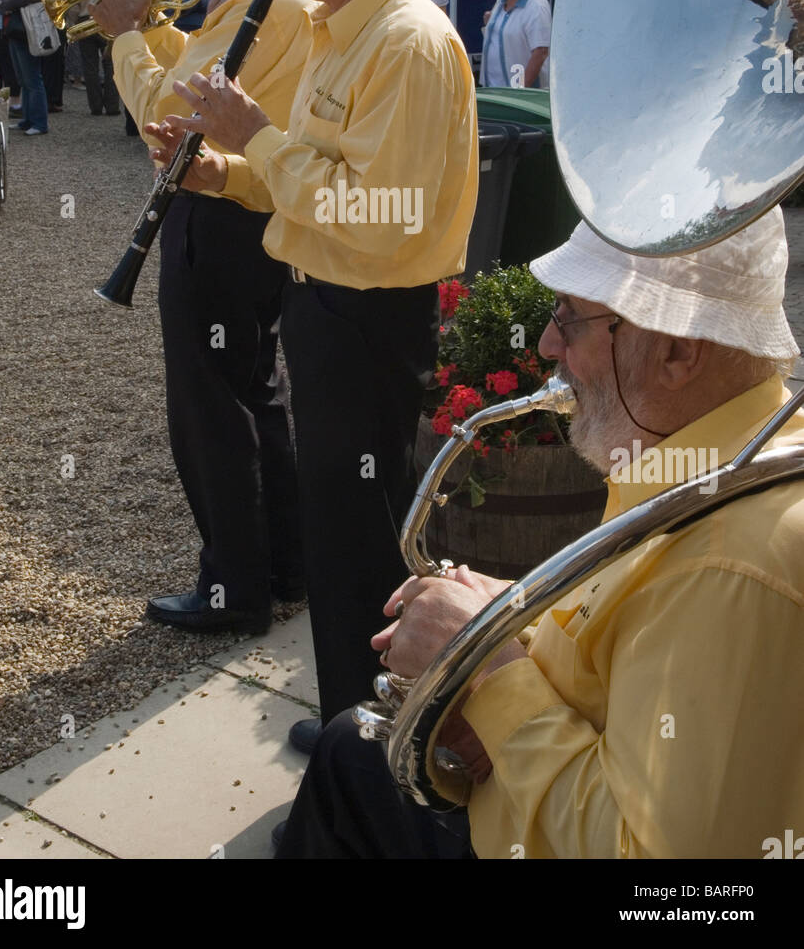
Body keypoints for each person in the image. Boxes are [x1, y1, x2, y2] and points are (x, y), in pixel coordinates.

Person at [275, 206, 804, 859]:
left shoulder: (728, 569)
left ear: (676, 352)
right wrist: (515, 621)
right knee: (348, 751)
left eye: (570, 317)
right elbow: (632, 660)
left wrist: (490, 668)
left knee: (346, 759)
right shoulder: (705, 454)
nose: (549, 345)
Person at [157, 0, 479, 739]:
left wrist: (253, 136)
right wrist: (225, 172)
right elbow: (316, 171)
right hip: (331, 306)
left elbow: (379, 212)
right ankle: (353, 720)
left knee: (361, 538)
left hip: (368, 315)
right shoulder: (341, 28)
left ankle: (374, 736)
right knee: (341, 538)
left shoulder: (405, 42)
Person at [88, 0, 314, 633]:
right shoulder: (271, 2)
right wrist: (151, 23)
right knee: (256, 392)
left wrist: (124, 35)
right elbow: (194, 73)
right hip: (259, 213)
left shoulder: (259, 2)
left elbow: (165, 113)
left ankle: (233, 588)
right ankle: (287, 564)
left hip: (217, 211)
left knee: (208, 407)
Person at [479, 0, 551, 89]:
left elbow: (540, 53)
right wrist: (490, 25)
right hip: (493, 89)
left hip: (518, 97)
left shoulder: (536, 6)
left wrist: (520, 91)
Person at [0, 0, 48, 136]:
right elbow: (1, 3)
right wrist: (5, 5)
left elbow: (8, 3)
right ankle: (27, 120)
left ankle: (40, 122)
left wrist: (6, 6)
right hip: (14, 35)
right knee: (24, 79)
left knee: (32, 79)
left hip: (26, 36)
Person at [70, 0, 121, 116]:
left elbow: (73, 2)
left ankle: (95, 107)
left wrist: (74, 23)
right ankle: (113, 106)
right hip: (107, 19)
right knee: (111, 64)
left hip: (85, 19)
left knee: (89, 66)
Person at [36, 0, 67, 113]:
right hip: (52, 19)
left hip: (35, 18)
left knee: (39, 63)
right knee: (54, 63)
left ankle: (42, 100)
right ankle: (54, 99)